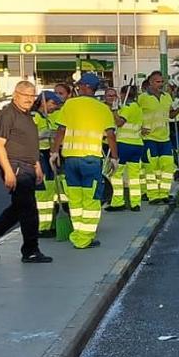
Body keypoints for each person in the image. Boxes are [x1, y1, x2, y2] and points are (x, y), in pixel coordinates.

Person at [0, 81, 53, 264]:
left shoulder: (26, 115)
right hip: (15, 165)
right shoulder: (7, 115)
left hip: (28, 165)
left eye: (33, 96)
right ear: (15, 94)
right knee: (29, 211)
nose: (29, 99)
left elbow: (29, 142)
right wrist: (8, 171)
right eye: (26, 96)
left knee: (18, 208)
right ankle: (30, 251)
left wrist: (36, 164)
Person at [54, 74, 117, 249]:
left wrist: (54, 152)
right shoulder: (103, 109)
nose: (78, 87)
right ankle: (85, 238)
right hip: (90, 159)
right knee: (90, 200)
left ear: (85, 86)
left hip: (71, 159)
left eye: (80, 84)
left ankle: (78, 234)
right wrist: (114, 157)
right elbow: (110, 135)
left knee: (75, 198)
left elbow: (61, 130)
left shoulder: (70, 104)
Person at [137, 72, 175, 204]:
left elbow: (171, 115)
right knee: (151, 168)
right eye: (158, 82)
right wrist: (139, 128)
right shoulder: (142, 98)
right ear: (151, 82)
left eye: (162, 82)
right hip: (149, 138)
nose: (161, 84)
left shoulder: (167, 97)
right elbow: (134, 115)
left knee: (167, 167)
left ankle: (164, 193)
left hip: (165, 138)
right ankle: (153, 195)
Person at [108, 83, 146, 212]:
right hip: (137, 144)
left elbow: (119, 123)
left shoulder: (127, 107)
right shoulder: (138, 108)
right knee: (134, 176)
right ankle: (136, 203)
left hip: (124, 144)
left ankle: (118, 202)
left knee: (116, 174)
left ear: (123, 95)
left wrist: (114, 111)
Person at [33, 90, 65, 237]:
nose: (54, 107)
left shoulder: (49, 117)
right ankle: (42, 226)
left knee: (52, 188)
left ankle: (50, 223)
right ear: (43, 102)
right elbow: (27, 137)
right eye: (52, 104)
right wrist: (41, 136)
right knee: (43, 193)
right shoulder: (34, 117)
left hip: (48, 154)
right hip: (38, 155)